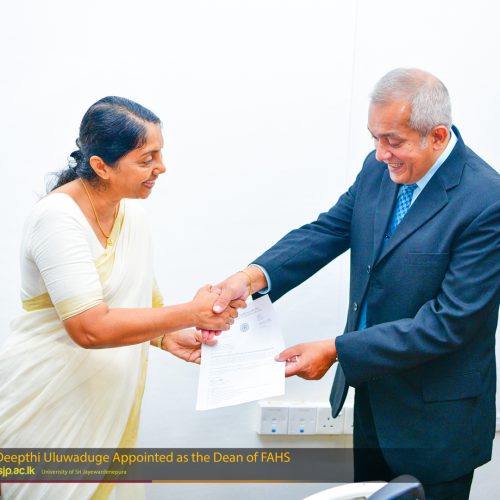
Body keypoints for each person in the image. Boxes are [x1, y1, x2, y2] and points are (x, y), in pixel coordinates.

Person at [209, 69, 500, 499]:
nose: (381, 154)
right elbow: (328, 230)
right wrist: (251, 277)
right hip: (373, 401)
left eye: (393, 141)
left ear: (437, 136)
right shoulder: (379, 168)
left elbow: (449, 324)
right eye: (374, 138)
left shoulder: (487, 201)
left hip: (437, 423)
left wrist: (335, 350)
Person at [0, 96, 242, 499]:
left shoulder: (132, 215)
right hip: (47, 400)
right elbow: (90, 328)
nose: (161, 168)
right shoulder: (57, 218)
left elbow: (140, 306)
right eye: (147, 159)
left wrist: (166, 337)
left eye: (160, 154)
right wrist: (192, 313)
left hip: (106, 401)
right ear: (101, 166)